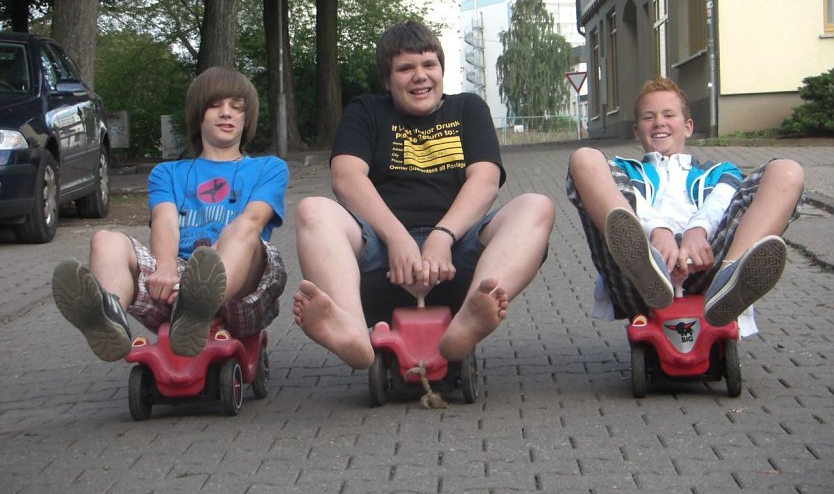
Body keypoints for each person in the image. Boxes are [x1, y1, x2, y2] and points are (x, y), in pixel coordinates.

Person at [292, 21, 555, 369]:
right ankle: (352, 331)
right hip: (382, 256)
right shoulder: (366, 111)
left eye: (429, 64)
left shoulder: (468, 109)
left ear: (441, 70)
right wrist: (397, 237)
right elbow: (346, 177)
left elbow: (485, 180)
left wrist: (442, 237)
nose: (420, 75)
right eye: (405, 68)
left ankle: (470, 318)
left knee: (537, 205)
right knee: (312, 209)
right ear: (387, 80)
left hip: (458, 253)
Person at [52, 67, 289, 360]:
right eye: (215, 106)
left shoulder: (269, 168)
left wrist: (202, 275)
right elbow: (165, 221)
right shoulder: (167, 173)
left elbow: (253, 219)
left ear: (246, 117)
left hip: (243, 285)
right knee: (105, 239)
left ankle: (197, 302)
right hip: (176, 288)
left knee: (243, 231)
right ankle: (108, 316)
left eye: (236, 107)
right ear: (197, 115)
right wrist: (165, 268)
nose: (226, 113)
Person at [566, 77, 805, 334]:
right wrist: (658, 231)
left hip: (707, 260)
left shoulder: (717, 171)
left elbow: (721, 199)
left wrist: (697, 231)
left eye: (669, 114)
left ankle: (730, 277)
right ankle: (650, 266)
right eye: (649, 117)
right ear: (636, 131)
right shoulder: (623, 170)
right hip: (637, 268)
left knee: (787, 170)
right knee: (585, 158)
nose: (659, 122)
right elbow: (619, 196)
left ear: (688, 126)